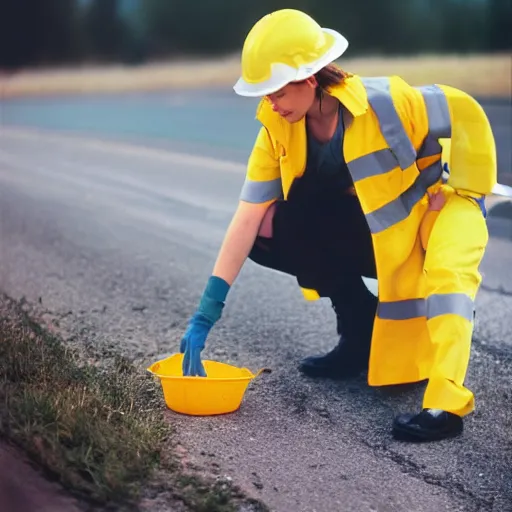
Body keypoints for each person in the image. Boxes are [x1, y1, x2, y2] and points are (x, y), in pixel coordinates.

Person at [179, 9, 496, 442]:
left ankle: (445, 404)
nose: (269, 103)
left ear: (310, 78)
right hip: (380, 233)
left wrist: (468, 188)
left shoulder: (386, 102)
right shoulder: (277, 125)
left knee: (448, 281)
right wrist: (206, 312)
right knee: (273, 227)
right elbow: (249, 215)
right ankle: (358, 330)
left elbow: (466, 110)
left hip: (438, 209)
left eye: (276, 91)